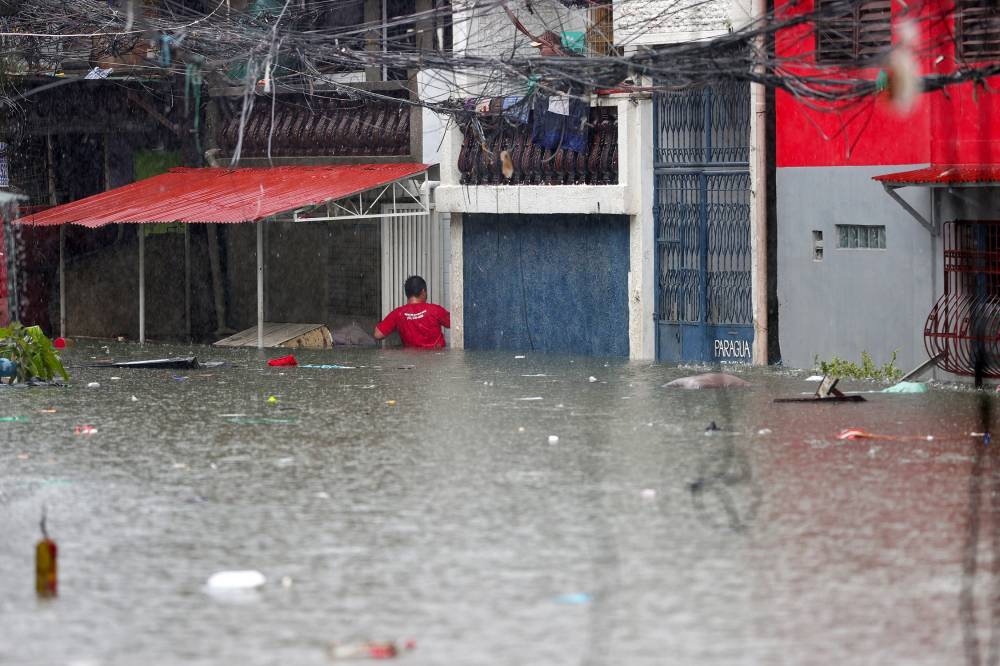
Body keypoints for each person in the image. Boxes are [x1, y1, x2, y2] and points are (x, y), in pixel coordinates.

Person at [374, 275, 450, 349]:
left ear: (407, 293)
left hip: (410, 359)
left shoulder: (398, 314)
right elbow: (456, 324)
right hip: (436, 359)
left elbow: (378, 334)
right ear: (423, 291)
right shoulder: (435, 310)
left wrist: (397, 325)